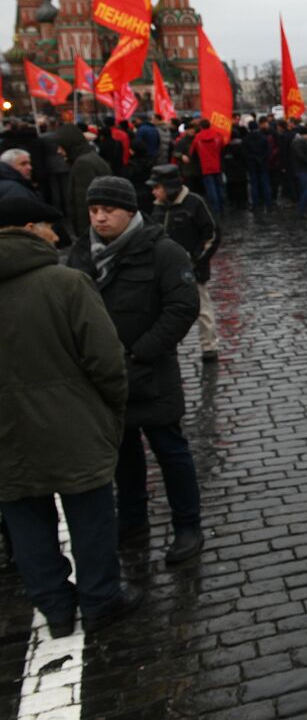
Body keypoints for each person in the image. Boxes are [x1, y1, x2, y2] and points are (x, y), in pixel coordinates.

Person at [0, 195, 141, 635]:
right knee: (91, 514)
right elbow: (106, 361)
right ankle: (101, 599)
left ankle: (55, 608)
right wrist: (110, 410)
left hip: (6, 433)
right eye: (47, 226)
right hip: (73, 422)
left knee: (24, 520)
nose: (56, 234)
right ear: (27, 230)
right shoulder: (67, 283)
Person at [67, 177, 204, 565]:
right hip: (104, 376)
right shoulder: (82, 252)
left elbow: (181, 308)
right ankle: (131, 521)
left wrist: (140, 353)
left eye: (108, 210)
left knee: (170, 452)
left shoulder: (164, 252)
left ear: (130, 211)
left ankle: (187, 525)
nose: (100, 218)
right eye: (94, 211)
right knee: (123, 457)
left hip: (152, 374)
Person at [148, 164, 221, 361]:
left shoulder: (194, 203)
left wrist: (196, 259)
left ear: (169, 187)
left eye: (157, 187)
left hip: (193, 269)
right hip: (164, 270)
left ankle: (209, 346)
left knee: (202, 308)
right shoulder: (157, 207)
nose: (153, 191)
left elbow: (212, 234)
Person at [52, 123, 112, 239]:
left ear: (70, 145)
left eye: (61, 147)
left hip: (92, 231)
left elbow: (83, 205)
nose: (58, 151)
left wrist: (85, 236)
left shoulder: (82, 164)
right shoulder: (89, 158)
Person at [190, 120, 225, 214]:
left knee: (211, 190)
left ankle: (215, 210)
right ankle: (222, 207)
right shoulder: (218, 135)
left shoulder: (197, 137)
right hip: (217, 165)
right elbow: (222, 147)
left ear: (201, 127)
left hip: (205, 167)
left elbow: (192, 152)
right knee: (220, 188)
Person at [290, 125, 307, 215]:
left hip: (303, 169)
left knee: (305, 190)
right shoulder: (299, 142)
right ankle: (302, 210)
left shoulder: (300, 141)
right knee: (306, 190)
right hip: (303, 169)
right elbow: (301, 156)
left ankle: (303, 208)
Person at [243, 120, 272, 209]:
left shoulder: (246, 138)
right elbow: (268, 151)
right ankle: (268, 204)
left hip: (252, 165)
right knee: (265, 184)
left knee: (254, 185)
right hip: (263, 164)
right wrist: (262, 159)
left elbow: (244, 153)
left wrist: (252, 159)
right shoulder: (263, 137)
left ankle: (255, 204)